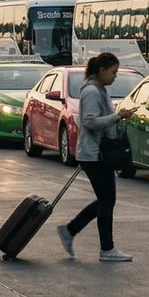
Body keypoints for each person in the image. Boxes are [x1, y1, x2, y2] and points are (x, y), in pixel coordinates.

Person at [56, 52, 136, 262]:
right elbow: (90, 121)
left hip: (99, 154)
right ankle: (105, 248)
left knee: (106, 200)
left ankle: (71, 231)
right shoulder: (92, 91)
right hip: (94, 154)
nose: (115, 76)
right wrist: (117, 116)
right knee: (106, 201)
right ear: (101, 71)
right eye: (113, 72)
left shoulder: (99, 89)